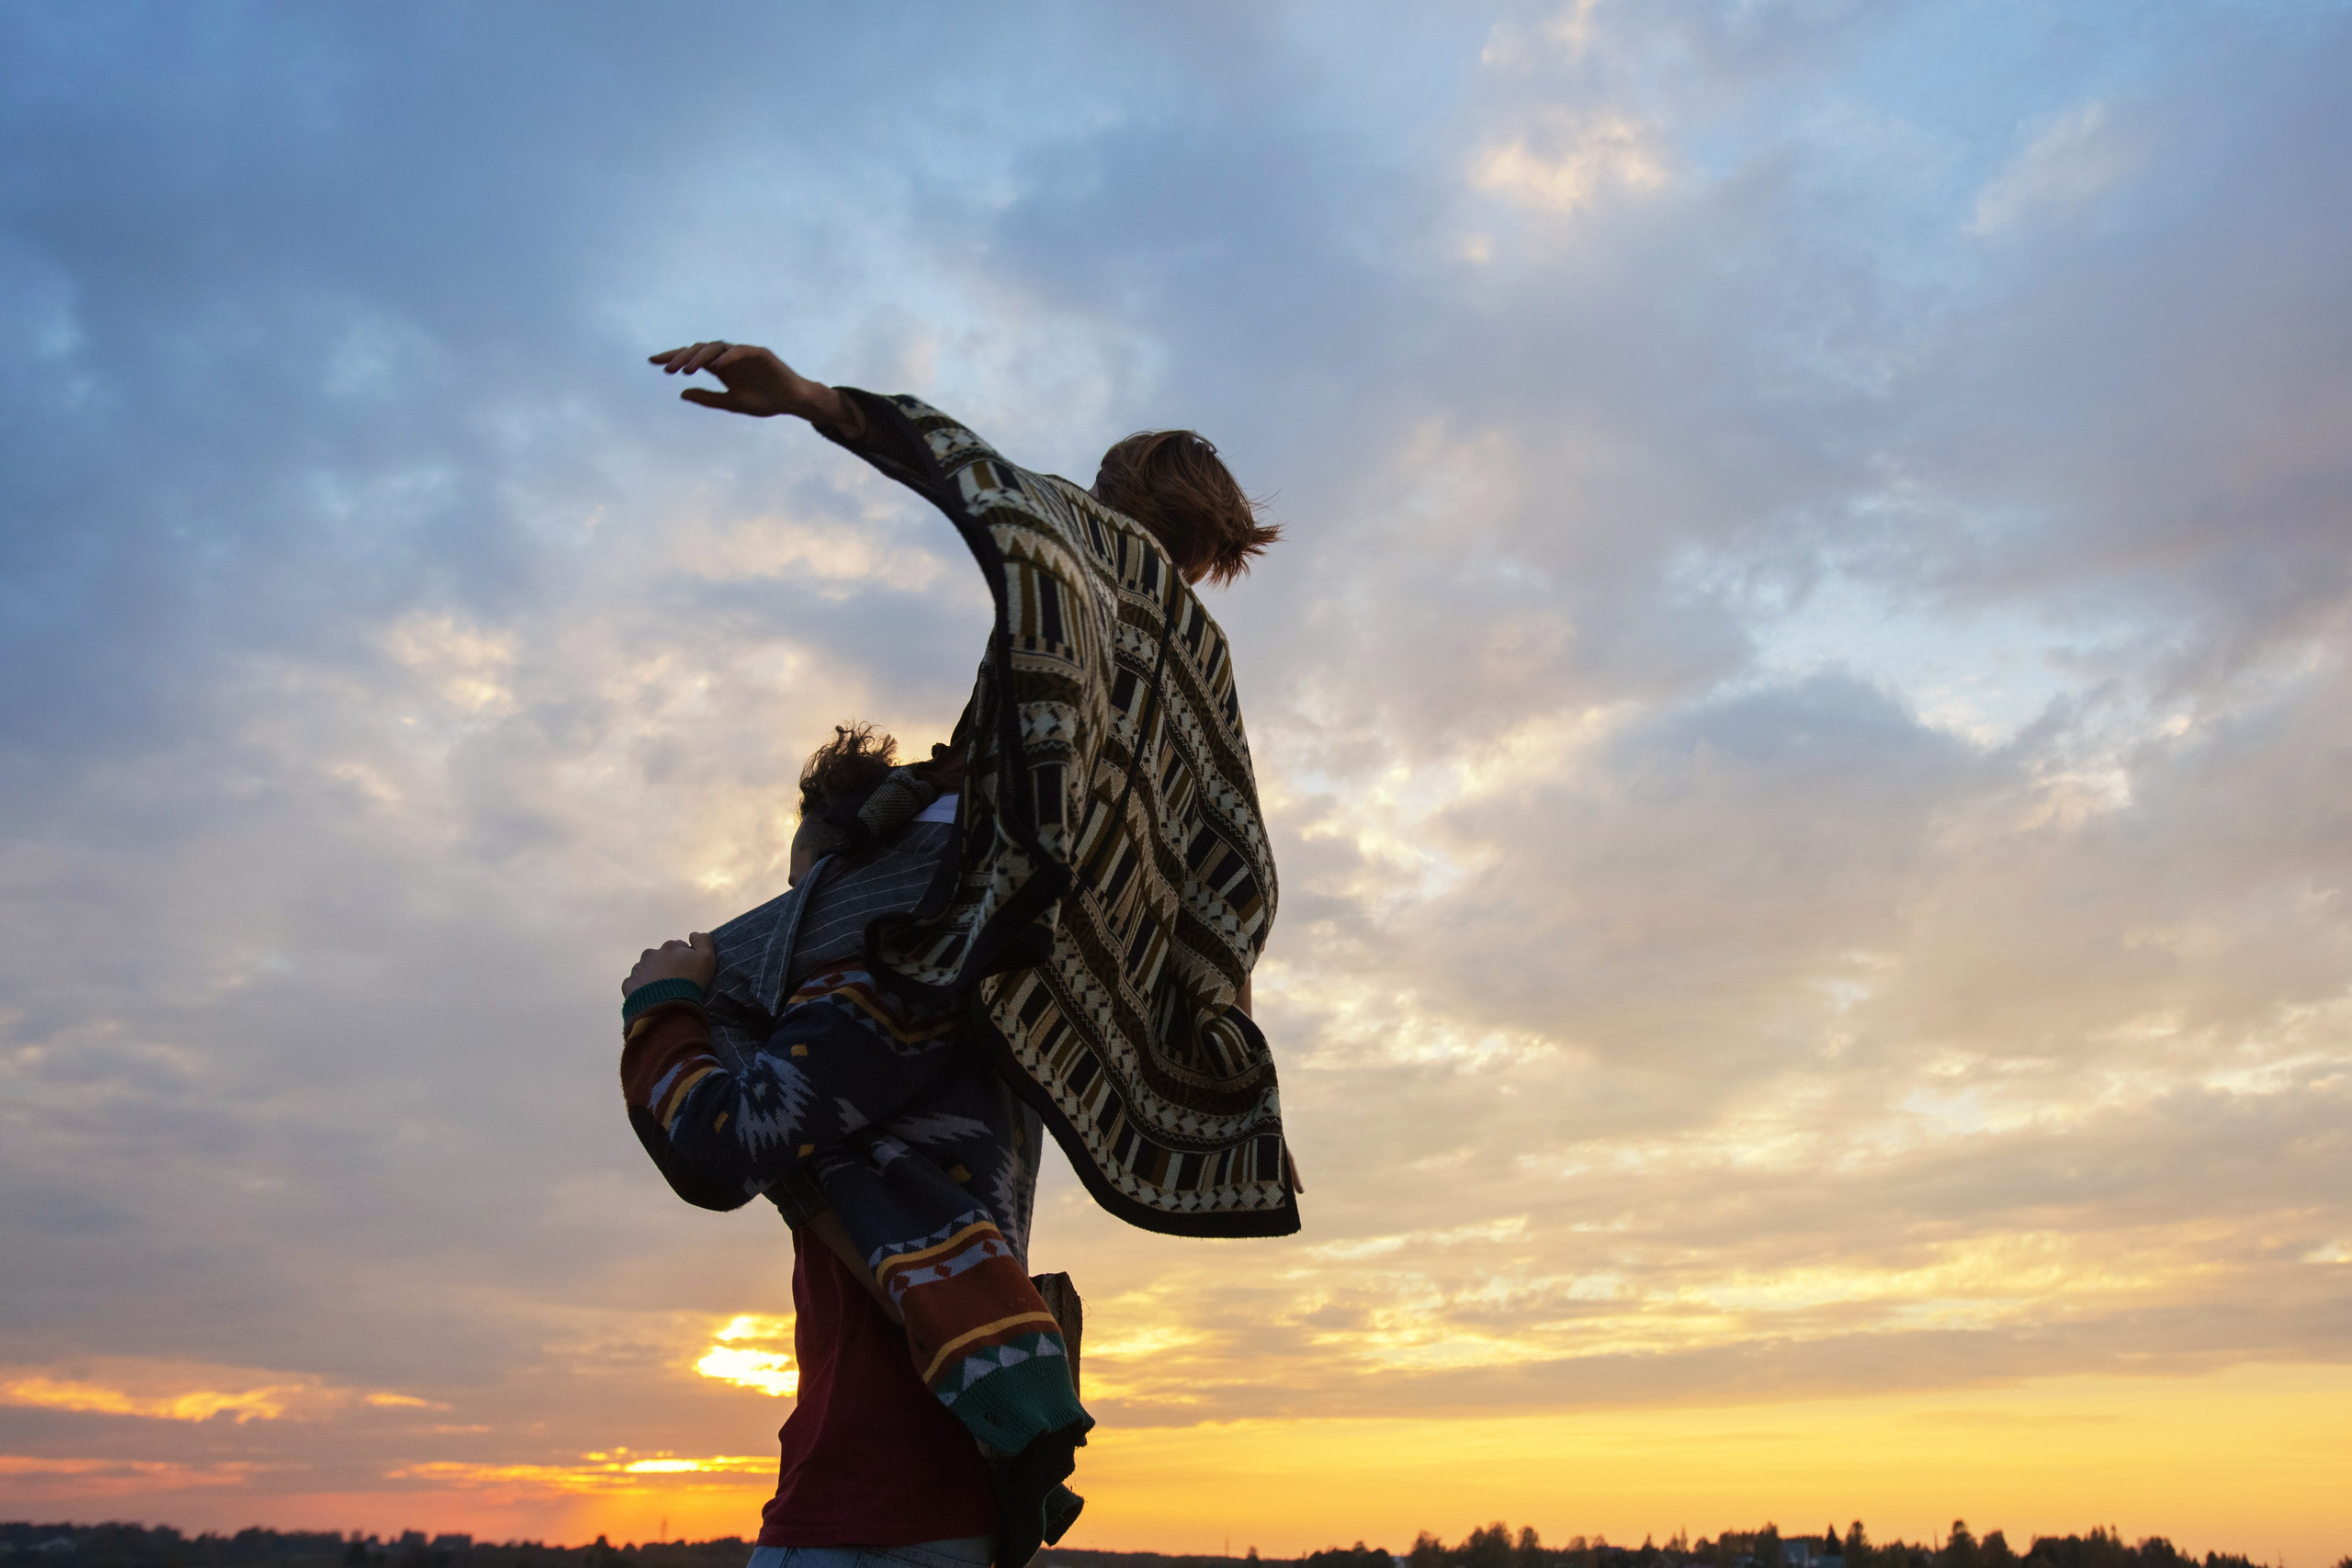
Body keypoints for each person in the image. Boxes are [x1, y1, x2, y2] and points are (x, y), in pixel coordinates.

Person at [621, 341, 1297, 1568]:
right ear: (1219, 547)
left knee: (702, 975)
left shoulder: (1081, 557)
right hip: (1015, 952)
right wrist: (1187, 1000)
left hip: (959, 917)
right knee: (755, 1020)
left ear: (1102, 501)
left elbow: (977, 480)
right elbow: (1233, 866)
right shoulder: (1204, 669)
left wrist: (819, 404)